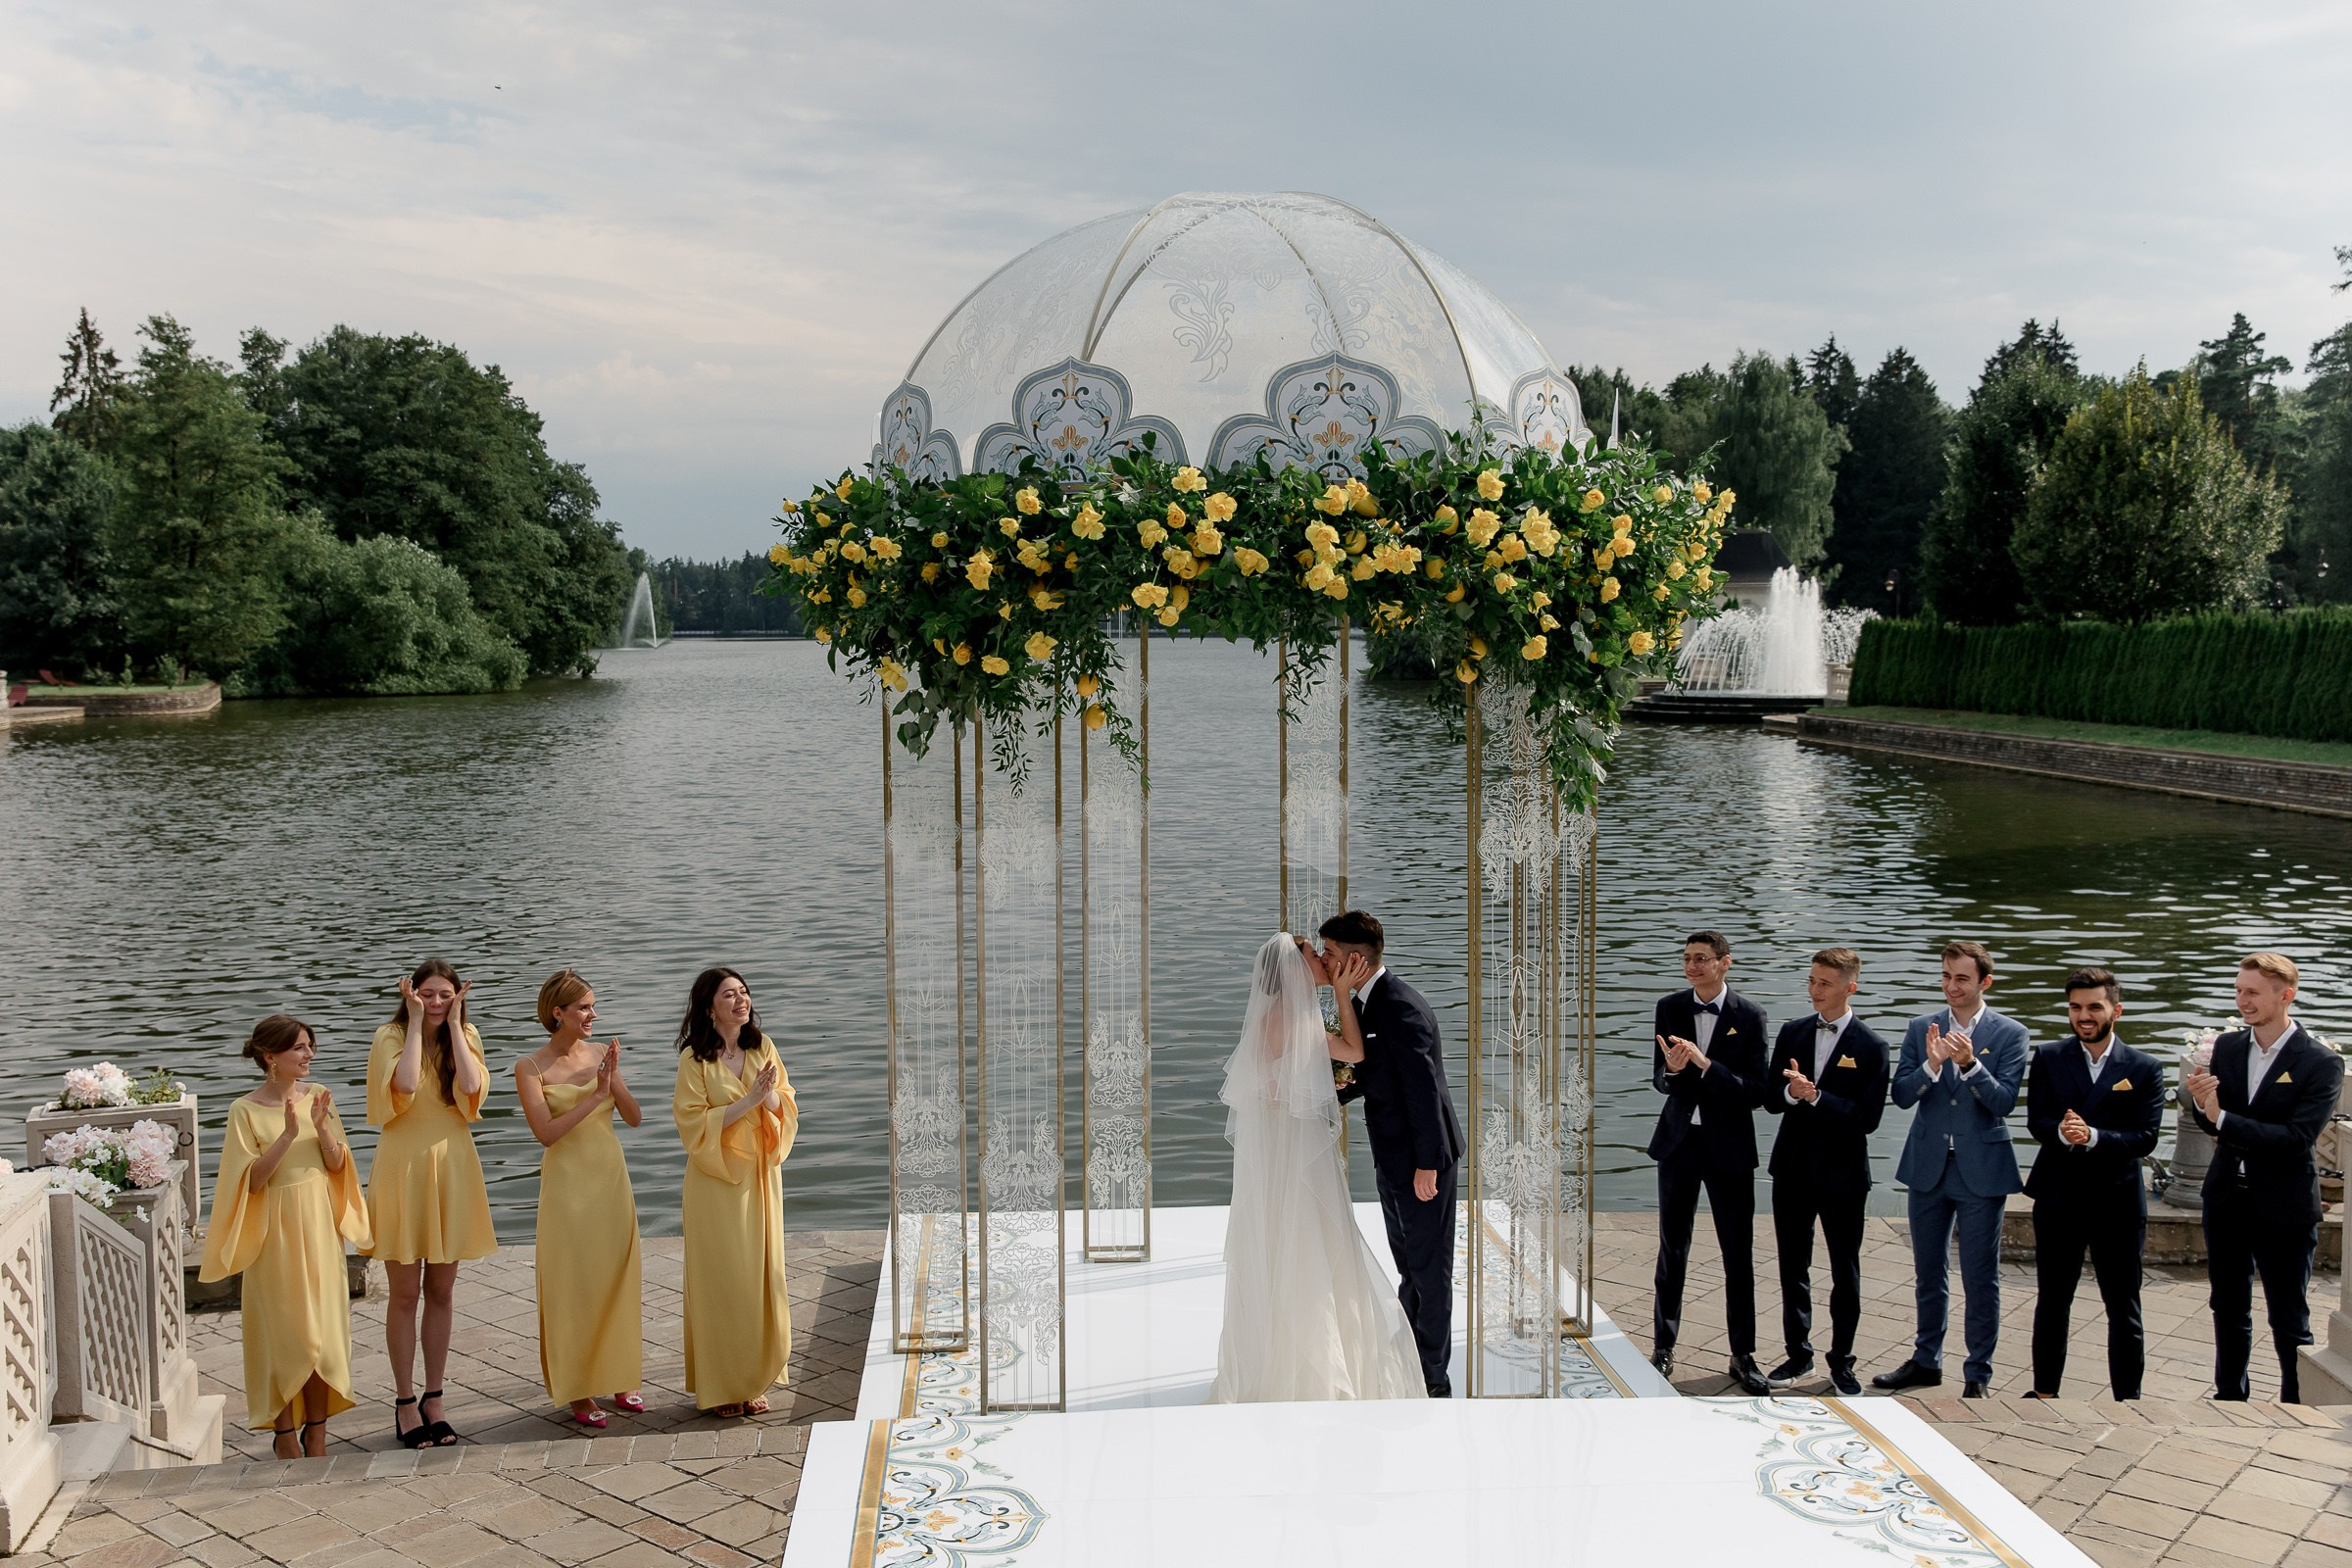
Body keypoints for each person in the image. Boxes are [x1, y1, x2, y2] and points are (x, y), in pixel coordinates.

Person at [1208, 935, 1426, 1403]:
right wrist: (1344, 996)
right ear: (1294, 969)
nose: (1323, 962)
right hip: (1299, 1148)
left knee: (1298, 1238)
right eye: (1314, 956)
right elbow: (1355, 1052)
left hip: (1287, 1146)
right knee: (1313, 1239)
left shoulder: (1280, 1016)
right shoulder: (1292, 1018)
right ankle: (1316, 1365)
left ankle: (1284, 1355)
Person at [200, 1015, 371, 1459]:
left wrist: (324, 1128)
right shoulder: (245, 1110)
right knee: (285, 1334)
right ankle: (283, 1434)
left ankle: (317, 1433)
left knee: (321, 1333)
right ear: (269, 1057)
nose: (309, 1055)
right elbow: (249, 1182)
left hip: (318, 1226)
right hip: (273, 1232)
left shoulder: (319, 1098)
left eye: (310, 1046)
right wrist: (290, 1134)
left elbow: (337, 1167)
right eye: (299, 1048)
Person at [2184, 952, 2345, 1402]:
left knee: (2288, 1313)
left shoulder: (2319, 1061)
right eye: (2238, 990)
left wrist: (2222, 1117)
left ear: (2285, 995)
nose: (2242, 1000)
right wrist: (2202, 1105)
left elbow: (2296, 1138)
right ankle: (2229, 1396)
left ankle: (2297, 1401)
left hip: (2285, 1203)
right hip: (2226, 1198)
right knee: (2227, 1304)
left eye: (2252, 992)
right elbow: (2212, 1120)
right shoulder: (2229, 1047)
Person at [1874, 941, 2029, 1398]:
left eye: (1961, 978)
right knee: (1928, 1270)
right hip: (1928, 1166)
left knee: (1981, 1276)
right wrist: (1932, 1064)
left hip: (1981, 1168)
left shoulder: (2010, 1034)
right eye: (1946, 976)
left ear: (1985, 982)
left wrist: (1970, 1065)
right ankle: (1926, 1360)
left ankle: (1978, 1373)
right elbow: (1901, 1094)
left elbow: (2002, 1102)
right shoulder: (1923, 1026)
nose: (1952, 986)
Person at [1320, 910, 1464, 1398]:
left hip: (1422, 1160)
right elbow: (1367, 1075)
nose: (1324, 960)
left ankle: (1434, 1378)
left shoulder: (1400, 1006)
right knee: (1408, 1261)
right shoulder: (1364, 1003)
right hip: (1392, 1153)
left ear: (1354, 959)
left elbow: (1424, 1091)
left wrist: (1428, 1164)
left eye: (1331, 954)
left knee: (1429, 1267)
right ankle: (1410, 1357)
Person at [366, 958, 494, 1447]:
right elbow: (403, 1086)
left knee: (442, 1291)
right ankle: (403, 1400)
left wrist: (457, 1027)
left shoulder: (468, 1034)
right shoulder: (390, 1036)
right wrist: (417, 1022)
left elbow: (469, 1087)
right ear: (411, 993)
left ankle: (434, 1397)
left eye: (447, 995)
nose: (437, 1002)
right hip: (403, 1166)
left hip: (452, 1165)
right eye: (429, 994)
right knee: (404, 1294)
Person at [2022, 966, 2164, 1399]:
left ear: (2115, 1010)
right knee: (2052, 1300)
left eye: (2093, 1007)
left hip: (2117, 1201)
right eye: (2075, 1007)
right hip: (2059, 1197)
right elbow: (2037, 1120)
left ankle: (2128, 1397)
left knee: (2123, 1305)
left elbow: (2147, 1137)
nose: (2083, 1016)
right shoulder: (2048, 1057)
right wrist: (2064, 1133)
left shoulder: (2144, 1067)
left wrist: (2095, 1136)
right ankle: (2045, 1390)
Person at [516, 969, 645, 1429]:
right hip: (568, 1189)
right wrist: (595, 1095)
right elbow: (546, 1135)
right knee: (575, 1286)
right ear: (558, 1013)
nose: (593, 1014)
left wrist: (613, 1079)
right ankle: (578, 1391)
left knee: (616, 1277)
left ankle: (620, 1376)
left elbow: (633, 1117)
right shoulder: (530, 1067)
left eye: (593, 1005)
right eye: (584, 1007)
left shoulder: (599, 1054)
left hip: (611, 1179)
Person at [1645, 930, 1771, 1391]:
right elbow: (1659, 1080)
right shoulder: (1670, 1007)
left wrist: (1706, 1065)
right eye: (1687, 959)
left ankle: (1743, 1354)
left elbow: (1757, 1091)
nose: (1692, 966)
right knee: (1671, 1247)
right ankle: (1662, 1346)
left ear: (1725, 963)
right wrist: (1674, 1071)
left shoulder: (1750, 1015)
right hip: (1679, 1142)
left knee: (1737, 1252)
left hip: (1730, 1148)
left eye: (1701, 959)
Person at [1762, 947, 1889, 1397]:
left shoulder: (1872, 1046)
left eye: (1825, 984)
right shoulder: (1792, 1032)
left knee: (1844, 1270)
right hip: (1792, 1168)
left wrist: (1817, 1097)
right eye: (1812, 981)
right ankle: (1798, 1352)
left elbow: (1868, 1117)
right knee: (1792, 1266)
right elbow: (1770, 1097)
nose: (1814, 990)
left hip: (1844, 1175)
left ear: (1849, 987)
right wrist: (1793, 1095)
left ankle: (1842, 1361)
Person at [673, 966, 797, 1417]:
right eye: (730, 995)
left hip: (759, 1175)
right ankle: (722, 1385)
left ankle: (752, 1379)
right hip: (714, 1179)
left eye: (744, 993)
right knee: (721, 1279)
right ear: (710, 1007)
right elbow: (690, 1120)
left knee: (758, 1277)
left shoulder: (761, 1046)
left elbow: (784, 1100)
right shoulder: (694, 1059)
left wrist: (767, 1098)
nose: (741, 1000)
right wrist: (746, 1101)